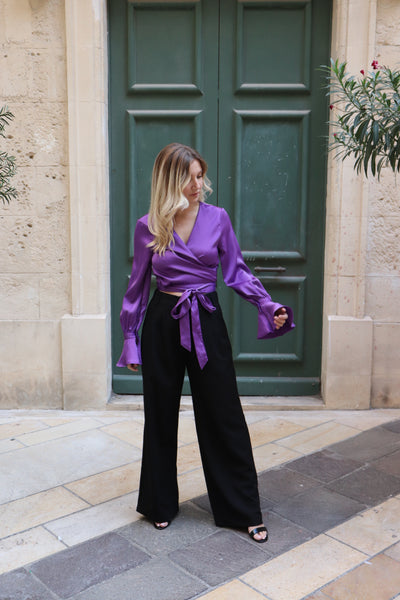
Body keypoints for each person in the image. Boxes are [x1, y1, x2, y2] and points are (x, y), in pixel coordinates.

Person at [117, 143, 294, 543]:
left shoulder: (217, 218)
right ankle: (159, 503)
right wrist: (130, 338)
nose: (199, 185)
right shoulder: (149, 226)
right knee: (160, 414)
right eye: (190, 178)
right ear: (170, 182)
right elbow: (137, 286)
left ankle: (241, 509)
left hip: (206, 319)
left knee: (223, 413)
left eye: (200, 176)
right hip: (163, 322)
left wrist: (266, 305)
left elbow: (237, 271)